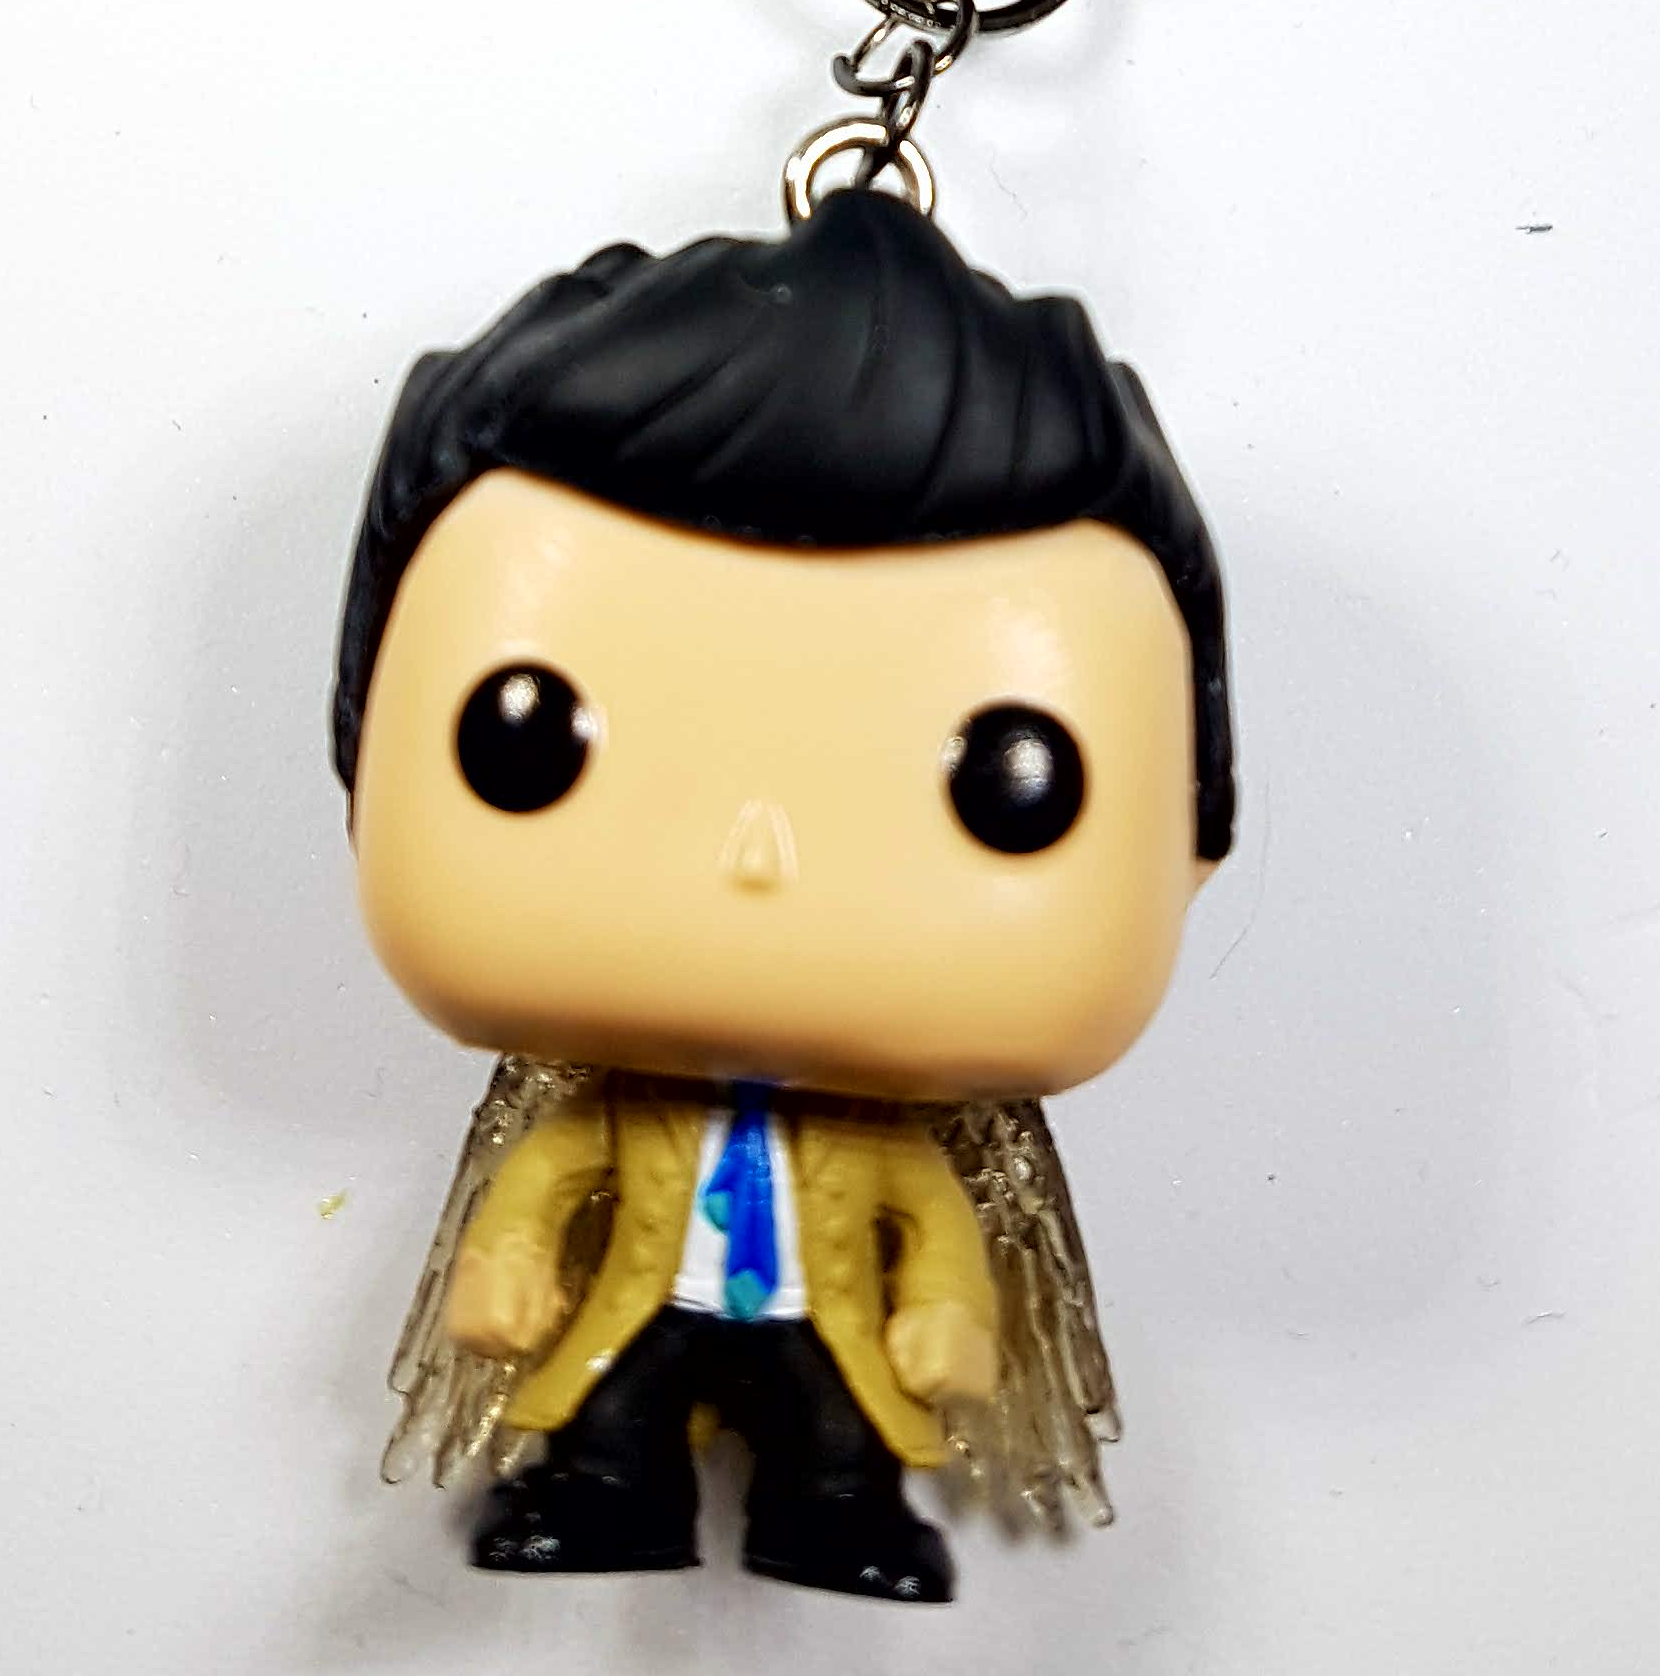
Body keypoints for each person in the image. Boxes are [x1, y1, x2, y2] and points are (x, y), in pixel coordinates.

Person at [331, 186, 1233, 1602]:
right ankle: (607, 1491)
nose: (759, 853)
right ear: (361, 752)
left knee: (838, 1436)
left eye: (1012, 782)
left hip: (825, 1325)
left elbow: (933, 1231)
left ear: (1197, 835)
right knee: (611, 1414)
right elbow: (549, 1181)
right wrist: (506, 1265)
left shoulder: (878, 1144)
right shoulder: (616, 1114)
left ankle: (840, 1514)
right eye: (527, 736)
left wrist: (950, 1317)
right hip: (646, 1309)